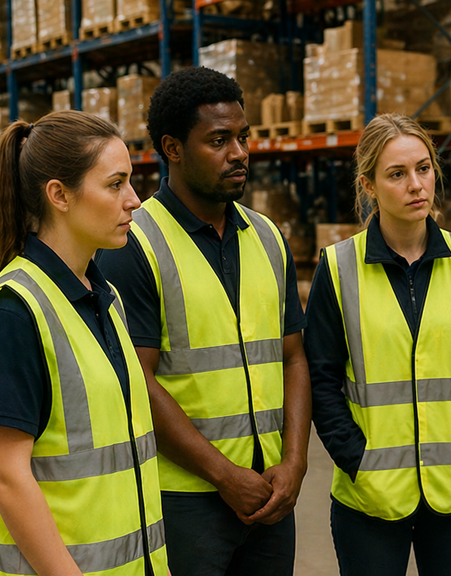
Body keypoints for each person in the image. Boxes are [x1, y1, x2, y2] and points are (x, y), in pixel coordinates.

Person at [96, 67, 311, 576]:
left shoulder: (268, 237)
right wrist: (224, 475)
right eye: (219, 140)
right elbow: (136, 381)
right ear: (172, 148)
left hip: (271, 495)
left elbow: (294, 356)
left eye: (242, 137)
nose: (239, 153)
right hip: (186, 501)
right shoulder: (134, 244)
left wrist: (296, 462)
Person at [304, 113, 451, 576]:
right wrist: (356, 460)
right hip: (369, 498)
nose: (416, 185)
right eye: (397, 174)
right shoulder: (338, 268)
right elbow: (322, 379)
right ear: (369, 185)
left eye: (423, 168)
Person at [0, 112, 168, 575]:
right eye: (115, 184)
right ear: (59, 195)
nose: (134, 200)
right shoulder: (15, 310)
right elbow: (7, 476)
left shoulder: (102, 297)